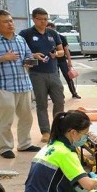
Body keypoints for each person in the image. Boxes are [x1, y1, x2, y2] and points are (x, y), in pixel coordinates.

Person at [0, 9, 42, 159]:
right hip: (3, 85)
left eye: (11, 20)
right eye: (5, 21)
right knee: (6, 118)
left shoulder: (20, 39)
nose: (10, 24)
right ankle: (5, 148)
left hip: (23, 84)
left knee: (26, 117)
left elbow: (27, 58)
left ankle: (25, 144)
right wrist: (3, 58)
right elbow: (3, 59)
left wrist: (34, 59)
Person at [19, 8, 65, 143]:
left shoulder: (52, 33)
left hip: (53, 72)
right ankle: (45, 131)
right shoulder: (26, 34)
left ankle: (58, 129)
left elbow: (61, 50)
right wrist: (33, 55)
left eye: (46, 19)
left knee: (59, 101)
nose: (43, 22)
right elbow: (21, 54)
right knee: (42, 104)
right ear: (34, 19)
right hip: (36, 73)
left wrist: (56, 54)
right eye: (40, 19)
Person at [47, 22, 80, 99]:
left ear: (53, 28)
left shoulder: (61, 37)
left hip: (62, 61)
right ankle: (57, 95)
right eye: (47, 28)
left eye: (50, 28)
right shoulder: (46, 38)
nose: (48, 30)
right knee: (55, 79)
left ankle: (74, 93)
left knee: (68, 77)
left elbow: (66, 50)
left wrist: (69, 61)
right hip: (52, 62)